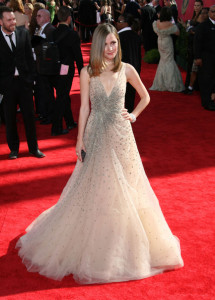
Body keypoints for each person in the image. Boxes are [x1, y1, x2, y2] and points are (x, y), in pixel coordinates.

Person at [16, 23, 183, 284]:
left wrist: (134, 115)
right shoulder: (86, 72)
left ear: (118, 44)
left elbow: (145, 96)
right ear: (97, 45)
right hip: (95, 134)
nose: (110, 48)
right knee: (94, 185)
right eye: (105, 44)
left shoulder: (126, 69)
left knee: (128, 186)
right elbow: (83, 108)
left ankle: (124, 238)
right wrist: (79, 139)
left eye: (114, 43)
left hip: (121, 135)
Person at [0, 6, 45, 159]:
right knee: (10, 118)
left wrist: (31, 79)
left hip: (24, 83)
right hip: (7, 85)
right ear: (1, 22)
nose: (13, 22)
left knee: (29, 117)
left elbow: (29, 57)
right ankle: (14, 149)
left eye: (13, 19)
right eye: (9, 20)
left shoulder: (23, 33)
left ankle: (34, 148)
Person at [150, 7, 185, 92]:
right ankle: (171, 84)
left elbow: (155, 31)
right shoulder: (170, 24)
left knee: (163, 60)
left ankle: (161, 83)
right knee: (169, 60)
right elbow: (177, 33)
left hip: (160, 41)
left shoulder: (156, 23)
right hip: (167, 42)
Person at [117, 13, 142, 112]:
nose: (117, 23)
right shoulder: (136, 36)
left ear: (126, 23)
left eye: (119, 21)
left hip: (120, 71)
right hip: (135, 70)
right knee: (130, 96)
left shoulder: (118, 37)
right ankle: (129, 116)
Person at [194, 5, 215, 111]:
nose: (214, 13)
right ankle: (206, 102)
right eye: (213, 11)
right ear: (209, 13)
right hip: (206, 57)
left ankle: (212, 99)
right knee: (207, 79)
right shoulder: (203, 26)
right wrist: (198, 57)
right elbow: (197, 42)